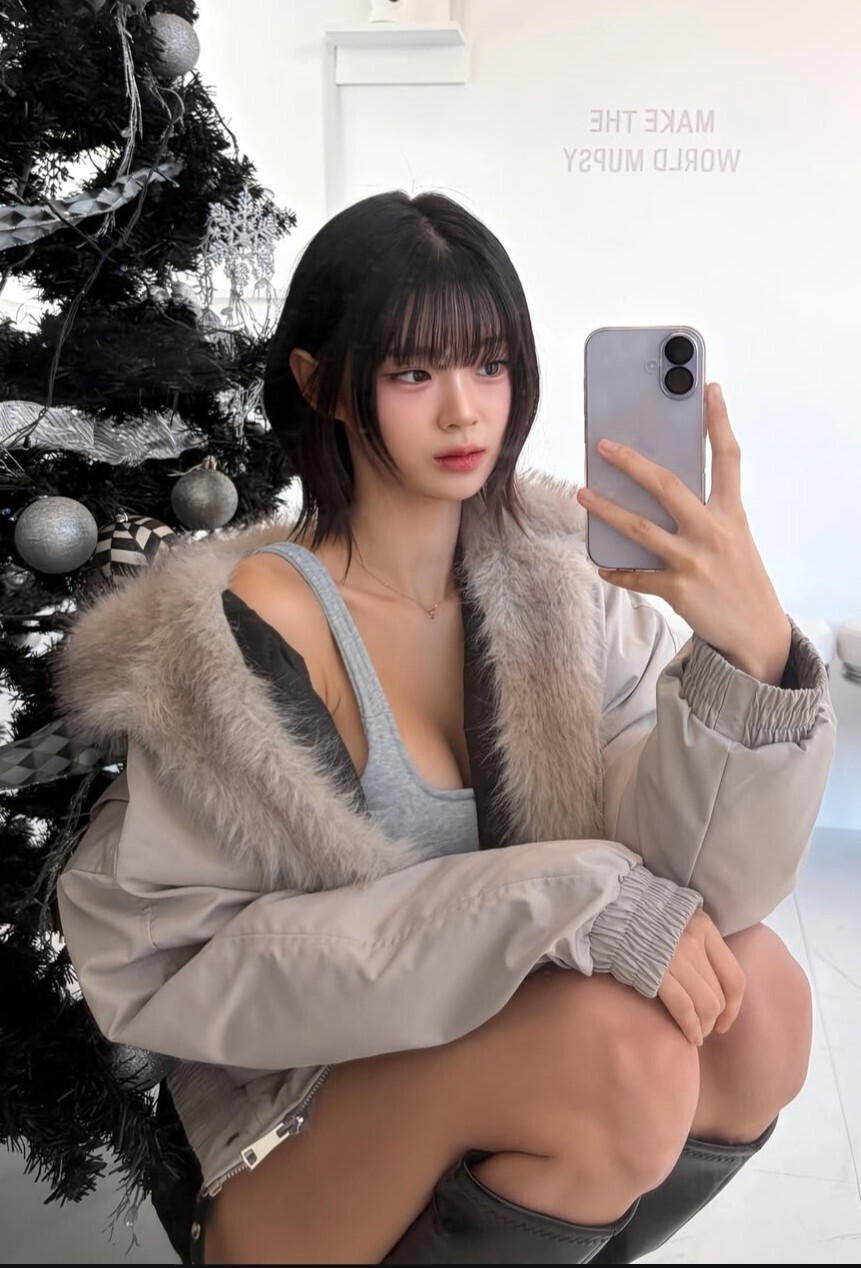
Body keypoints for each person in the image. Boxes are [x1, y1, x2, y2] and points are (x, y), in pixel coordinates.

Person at [54, 190, 836, 1266]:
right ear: (321, 383)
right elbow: (179, 965)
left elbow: (702, 888)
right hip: (293, 1131)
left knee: (762, 1002)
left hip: (507, 1070)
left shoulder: (561, 588)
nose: (466, 412)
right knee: (620, 1050)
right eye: (414, 373)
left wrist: (751, 660)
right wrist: (562, 900)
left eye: (490, 365)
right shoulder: (240, 639)